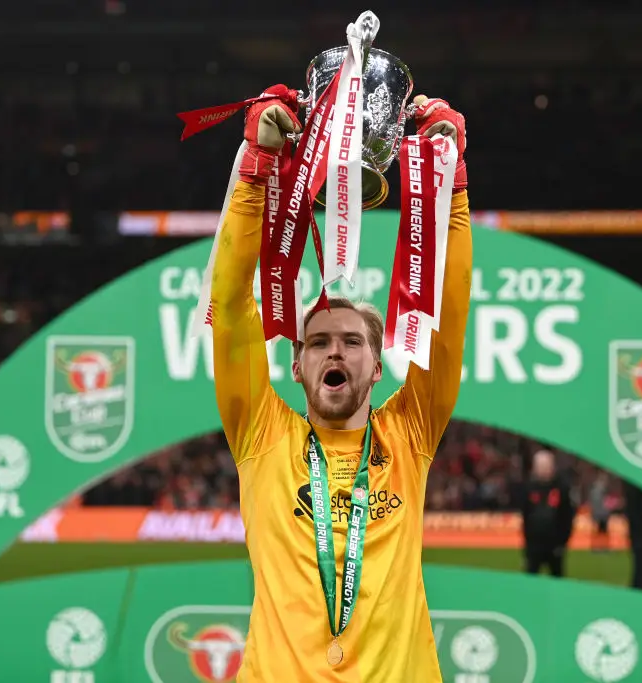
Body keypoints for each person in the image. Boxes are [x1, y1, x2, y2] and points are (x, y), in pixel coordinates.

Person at [210, 84, 471, 682]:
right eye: (319, 342)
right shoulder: (260, 435)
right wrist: (256, 168)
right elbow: (230, 306)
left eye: (353, 342)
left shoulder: (411, 433)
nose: (335, 350)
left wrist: (450, 187)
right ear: (296, 365)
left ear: (377, 367)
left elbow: (448, 312)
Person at [520, 449, 577, 577]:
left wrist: (563, 542)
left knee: (556, 579)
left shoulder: (562, 488)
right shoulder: (529, 488)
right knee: (530, 580)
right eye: (540, 466)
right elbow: (525, 517)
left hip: (555, 545)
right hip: (535, 545)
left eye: (546, 466)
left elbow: (568, 517)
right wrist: (527, 544)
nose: (543, 470)